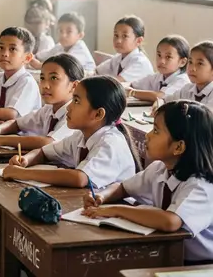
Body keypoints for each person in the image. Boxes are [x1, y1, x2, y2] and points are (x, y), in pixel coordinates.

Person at [83, 100, 213, 266]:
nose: (147, 134)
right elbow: (123, 187)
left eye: (156, 131)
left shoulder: (201, 185)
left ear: (178, 147)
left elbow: (170, 221)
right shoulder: (160, 169)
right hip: (167, 253)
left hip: (200, 265)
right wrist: (102, 196)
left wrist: (116, 210)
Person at [3, 75, 141, 188]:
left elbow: (79, 178)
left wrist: (23, 174)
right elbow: (43, 152)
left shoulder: (110, 143)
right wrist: (25, 160)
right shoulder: (80, 137)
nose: (68, 108)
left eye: (76, 101)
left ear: (98, 114)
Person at [0, 53, 84, 149]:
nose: (45, 85)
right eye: (42, 78)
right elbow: (17, 123)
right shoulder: (48, 109)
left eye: (54, 78)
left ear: (74, 86)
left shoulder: (75, 114)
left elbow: (48, 142)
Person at [127, 35, 190, 103]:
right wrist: (122, 87)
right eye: (159, 55)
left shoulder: (183, 80)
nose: (161, 61)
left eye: (168, 57)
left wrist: (132, 92)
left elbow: (160, 96)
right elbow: (133, 84)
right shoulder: (158, 76)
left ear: (182, 62)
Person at [30, 12, 95, 73]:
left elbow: (61, 66)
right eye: (60, 31)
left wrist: (39, 65)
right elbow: (46, 54)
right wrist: (32, 57)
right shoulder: (60, 46)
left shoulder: (80, 51)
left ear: (80, 35)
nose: (63, 35)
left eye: (69, 31)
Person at [96, 15, 154, 82]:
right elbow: (96, 72)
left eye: (125, 36)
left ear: (138, 41)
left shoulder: (140, 63)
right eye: (116, 35)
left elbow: (115, 83)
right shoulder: (118, 58)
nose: (118, 41)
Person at [163, 41, 213, 109]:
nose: (192, 68)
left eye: (200, 64)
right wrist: (158, 105)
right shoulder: (187, 89)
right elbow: (165, 101)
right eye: (190, 62)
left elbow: (205, 117)